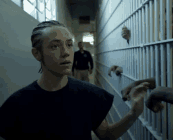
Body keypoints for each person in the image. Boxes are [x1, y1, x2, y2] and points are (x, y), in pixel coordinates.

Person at [0, 20, 156, 140]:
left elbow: (107, 135)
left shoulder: (89, 94)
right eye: (55, 46)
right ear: (37, 54)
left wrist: (134, 112)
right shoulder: (17, 105)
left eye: (69, 45)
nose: (66, 53)